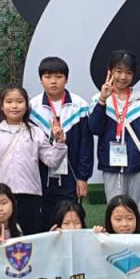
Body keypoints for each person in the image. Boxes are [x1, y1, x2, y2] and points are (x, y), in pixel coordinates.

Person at [88, 49, 140, 219]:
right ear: (110, 72)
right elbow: (95, 128)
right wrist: (102, 101)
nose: (123, 77)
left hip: (137, 168)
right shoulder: (99, 99)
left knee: (137, 214)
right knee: (115, 215)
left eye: (128, 73)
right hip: (111, 167)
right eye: (118, 71)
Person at [0, 85, 67, 234]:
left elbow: (52, 161)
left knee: (30, 237)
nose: (14, 106)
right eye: (9, 102)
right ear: (2, 106)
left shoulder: (36, 133)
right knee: (6, 236)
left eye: (19, 101)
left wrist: (59, 142)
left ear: (26, 105)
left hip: (31, 195)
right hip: (2, 197)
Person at [29, 57, 95, 224]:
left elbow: (86, 145)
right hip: (41, 177)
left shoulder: (79, 106)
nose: (53, 81)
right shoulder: (32, 108)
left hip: (70, 176)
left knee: (70, 218)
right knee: (44, 221)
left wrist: (83, 177)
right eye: (48, 77)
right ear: (41, 80)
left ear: (66, 79)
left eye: (59, 77)